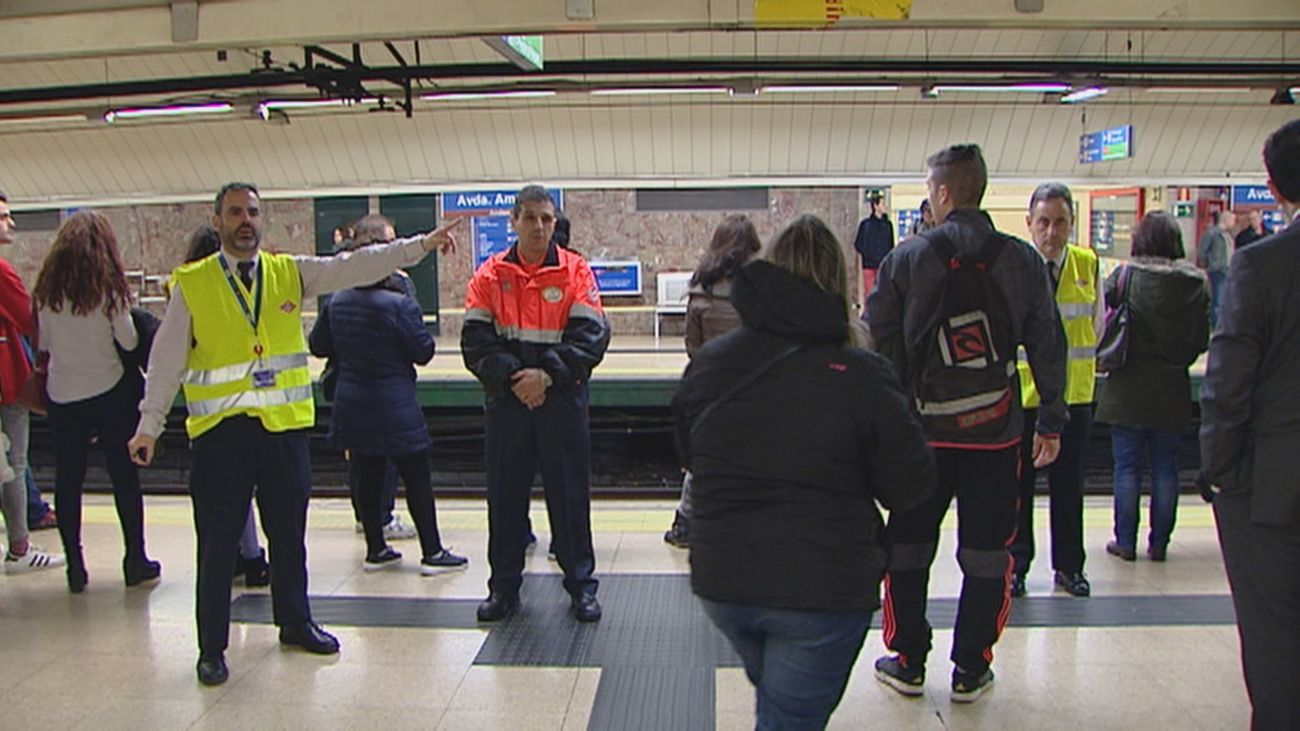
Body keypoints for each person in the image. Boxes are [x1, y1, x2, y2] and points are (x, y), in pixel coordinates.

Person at [128, 182, 459, 686]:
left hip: (282, 433)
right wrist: (148, 425)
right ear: (217, 221)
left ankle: (296, 622)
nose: (246, 221)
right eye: (235, 212)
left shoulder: (289, 273)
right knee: (218, 544)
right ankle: (212, 647)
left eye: (253, 212)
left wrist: (419, 245)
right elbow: (166, 360)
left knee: (288, 537)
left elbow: (355, 266)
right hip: (221, 437)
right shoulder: (192, 284)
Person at [674, 214, 935, 728]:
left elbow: (688, 451)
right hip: (823, 592)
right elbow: (911, 485)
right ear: (837, 283)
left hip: (725, 583)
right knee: (789, 716)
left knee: (780, 702)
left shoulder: (711, 363)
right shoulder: (862, 373)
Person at [868, 143, 1068, 703]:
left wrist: (885, 421)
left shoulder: (907, 260)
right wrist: (1051, 420)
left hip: (922, 438)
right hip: (996, 437)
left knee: (907, 546)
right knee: (988, 553)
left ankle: (908, 659)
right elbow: (1049, 345)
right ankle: (971, 668)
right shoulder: (1022, 261)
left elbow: (877, 340)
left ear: (942, 193)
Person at [462, 184, 610, 624]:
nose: (539, 227)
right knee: (505, 498)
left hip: (560, 400)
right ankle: (503, 589)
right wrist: (517, 379)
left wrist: (545, 376)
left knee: (570, 497)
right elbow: (475, 343)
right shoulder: (489, 276)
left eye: (546, 219)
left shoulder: (576, 272)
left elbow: (591, 338)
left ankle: (581, 586)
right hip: (509, 403)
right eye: (530, 218)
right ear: (513, 221)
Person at [1200, 117, 1300, 730]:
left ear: (1276, 187)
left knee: (1277, 639)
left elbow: (1229, 379)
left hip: (1273, 486)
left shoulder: (1263, 266)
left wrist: (1217, 468)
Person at [309, 214, 466, 574]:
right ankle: (432, 552)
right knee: (417, 477)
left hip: (352, 401)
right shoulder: (399, 303)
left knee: (367, 475)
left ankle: (376, 550)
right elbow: (423, 351)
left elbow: (318, 345)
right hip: (396, 406)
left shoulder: (337, 300)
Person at [33, 211, 157, 593]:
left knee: (68, 479)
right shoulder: (108, 289)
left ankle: (75, 566)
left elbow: (44, 346)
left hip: (63, 396)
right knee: (124, 476)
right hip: (109, 393)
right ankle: (135, 559)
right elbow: (130, 342)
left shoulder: (47, 293)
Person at [1096, 211, 1208, 563]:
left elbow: (1102, 320)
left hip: (1127, 389)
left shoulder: (1125, 278)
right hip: (1172, 390)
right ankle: (1159, 544)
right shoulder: (1195, 285)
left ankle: (1125, 541)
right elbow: (1201, 340)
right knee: (1165, 467)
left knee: (1127, 467)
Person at [1010, 183, 1101, 598]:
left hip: (1073, 397)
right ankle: (1017, 565)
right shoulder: (1015, 268)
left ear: (1072, 223)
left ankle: (1069, 567)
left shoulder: (1088, 265)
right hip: (1025, 396)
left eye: (1060, 222)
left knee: (1069, 486)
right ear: (1029, 223)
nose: (1052, 232)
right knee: (1019, 487)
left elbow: (1097, 326)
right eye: (1043, 222)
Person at [662, 214, 761, 549]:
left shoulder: (700, 288)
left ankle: (685, 525)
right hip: (756, 390)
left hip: (710, 391)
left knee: (702, 460)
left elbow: (693, 347)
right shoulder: (763, 287)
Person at [183, 225, 270, 588]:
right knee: (242, 496)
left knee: (214, 507)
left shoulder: (186, 292)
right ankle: (251, 556)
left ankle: (229, 561)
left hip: (204, 418)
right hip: (242, 413)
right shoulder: (229, 293)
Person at [0, 190, 64, 575]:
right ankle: (19, 548)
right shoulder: (2, 272)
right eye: (3, 216)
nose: (10, 223)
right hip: (7, 384)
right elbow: (28, 319)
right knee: (13, 463)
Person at [852, 194, 894, 307]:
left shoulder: (888, 225)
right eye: (882, 204)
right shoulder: (866, 225)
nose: (885, 206)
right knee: (870, 293)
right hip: (869, 265)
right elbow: (858, 244)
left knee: (882, 293)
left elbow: (891, 245)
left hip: (882, 265)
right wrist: (868, 253)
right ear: (875, 206)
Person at [1196, 208, 1234, 328]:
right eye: (1232, 220)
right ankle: (1216, 325)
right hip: (1217, 270)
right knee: (1218, 299)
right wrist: (1209, 264)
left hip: (1228, 270)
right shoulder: (1212, 233)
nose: (1234, 223)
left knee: (1225, 300)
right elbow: (1202, 251)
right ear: (1226, 220)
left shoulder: (1228, 235)